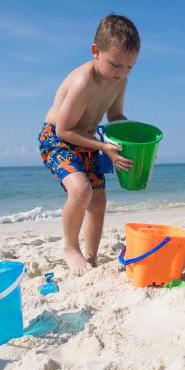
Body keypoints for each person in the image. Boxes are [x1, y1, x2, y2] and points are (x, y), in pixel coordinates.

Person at [38, 14, 139, 276]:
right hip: (57, 139)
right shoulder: (83, 82)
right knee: (82, 191)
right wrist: (103, 147)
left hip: (88, 141)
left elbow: (115, 116)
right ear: (96, 51)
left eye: (129, 67)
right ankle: (71, 247)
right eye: (116, 64)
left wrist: (129, 136)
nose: (121, 73)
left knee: (98, 201)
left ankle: (91, 258)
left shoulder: (120, 81)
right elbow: (64, 128)